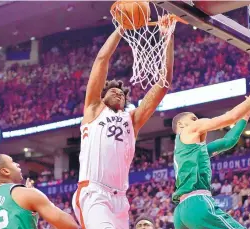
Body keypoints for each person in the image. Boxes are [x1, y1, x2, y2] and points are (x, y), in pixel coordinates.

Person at [72, 16, 175, 229]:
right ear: (102, 96)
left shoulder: (132, 119)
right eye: (113, 91)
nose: (118, 94)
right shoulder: (93, 109)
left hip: (120, 200)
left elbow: (164, 84)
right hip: (94, 193)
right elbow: (101, 60)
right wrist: (121, 29)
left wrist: (168, 38)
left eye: (122, 93)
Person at [171, 77, 250, 229]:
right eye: (194, 119)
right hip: (196, 203)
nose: (198, 121)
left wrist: (248, 111)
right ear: (181, 124)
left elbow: (228, 141)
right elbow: (230, 117)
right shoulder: (188, 130)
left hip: (180, 213)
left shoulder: (189, 150)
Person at [0, 154, 79, 229]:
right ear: (5, 171)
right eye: (12, 162)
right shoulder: (25, 194)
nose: (17, 164)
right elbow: (70, 226)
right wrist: (35, 198)